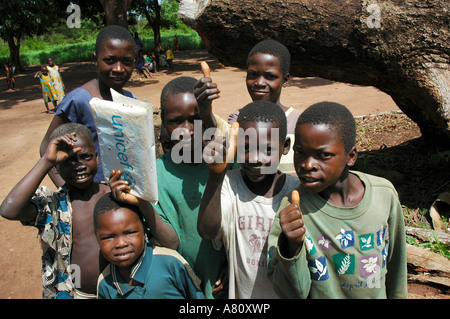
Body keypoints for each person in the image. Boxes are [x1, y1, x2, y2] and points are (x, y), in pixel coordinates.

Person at [267, 101, 407, 299]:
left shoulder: (383, 195)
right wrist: (291, 246)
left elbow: (397, 269)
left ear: (350, 156)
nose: (307, 165)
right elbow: (293, 292)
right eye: (300, 153)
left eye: (323, 155)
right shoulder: (293, 210)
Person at [198, 100, 299, 298]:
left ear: (285, 146)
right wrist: (216, 174)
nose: (255, 158)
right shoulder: (229, 184)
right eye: (246, 147)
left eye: (267, 149)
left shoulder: (296, 192)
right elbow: (207, 231)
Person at [0, 123, 110, 299]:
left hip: (119, 290)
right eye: (67, 161)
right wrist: (46, 160)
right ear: (56, 168)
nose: (79, 165)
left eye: (86, 157)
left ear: (97, 157)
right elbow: (9, 209)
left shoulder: (114, 195)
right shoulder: (53, 205)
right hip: (77, 293)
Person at [151, 76, 228, 298]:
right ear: (163, 121)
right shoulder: (155, 175)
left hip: (225, 285)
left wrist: (232, 265)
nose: (187, 130)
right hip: (179, 288)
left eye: (196, 119)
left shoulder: (226, 162)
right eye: (176, 121)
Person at [40, 25, 137, 187]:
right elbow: (46, 146)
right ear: (95, 60)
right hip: (89, 194)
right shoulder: (78, 100)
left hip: (123, 190)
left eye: (127, 62)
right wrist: (65, 189)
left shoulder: (130, 99)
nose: (119, 69)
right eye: (110, 60)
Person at [94, 192, 204, 299]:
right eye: (108, 237)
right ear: (97, 238)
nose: (121, 244)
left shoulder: (170, 262)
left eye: (130, 232)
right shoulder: (105, 283)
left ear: (144, 230)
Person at [228, 39, 302, 173]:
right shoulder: (237, 119)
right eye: (253, 75)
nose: (259, 82)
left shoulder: (299, 122)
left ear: (285, 79)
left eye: (270, 76)